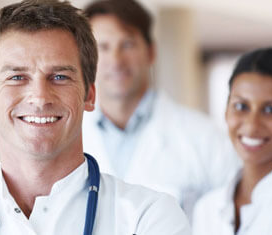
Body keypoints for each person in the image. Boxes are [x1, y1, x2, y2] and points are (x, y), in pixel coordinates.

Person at [0, 1, 191, 234]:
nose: (40, 97)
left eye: (59, 76)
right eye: (17, 77)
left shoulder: (149, 218)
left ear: (90, 94)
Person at [82, 0, 240, 216]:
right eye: (103, 47)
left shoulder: (205, 138)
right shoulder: (69, 136)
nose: (116, 60)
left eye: (127, 44)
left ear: (151, 52)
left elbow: (239, 220)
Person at [192, 47, 272, 235]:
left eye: (271, 110)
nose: (252, 126)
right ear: (226, 110)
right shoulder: (206, 209)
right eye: (241, 106)